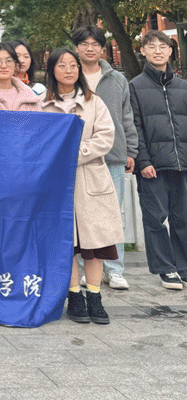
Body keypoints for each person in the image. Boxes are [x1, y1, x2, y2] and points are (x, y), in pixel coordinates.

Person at [41, 48, 123, 324]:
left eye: (73, 65)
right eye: (62, 65)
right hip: (57, 183)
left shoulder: (94, 102)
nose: (69, 70)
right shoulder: (42, 105)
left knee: (95, 243)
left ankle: (95, 296)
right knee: (67, 243)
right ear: (52, 70)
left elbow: (105, 138)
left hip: (91, 179)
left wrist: (73, 153)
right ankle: (74, 295)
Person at [72, 26, 138, 290]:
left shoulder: (117, 79)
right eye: (84, 44)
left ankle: (115, 269)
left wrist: (131, 150)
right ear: (76, 48)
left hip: (113, 155)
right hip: (80, 158)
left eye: (95, 44)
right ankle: (84, 269)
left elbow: (127, 116)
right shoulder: (70, 76)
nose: (90, 48)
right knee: (82, 214)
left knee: (113, 213)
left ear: (102, 48)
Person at [129, 30, 187, 289]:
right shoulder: (135, 86)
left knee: (182, 217)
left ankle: (183, 266)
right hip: (152, 165)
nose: (158, 51)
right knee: (155, 218)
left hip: (181, 163)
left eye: (163, 46)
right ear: (143, 51)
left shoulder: (183, 87)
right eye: (151, 46)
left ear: (171, 51)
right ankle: (165, 268)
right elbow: (135, 126)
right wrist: (143, 161)